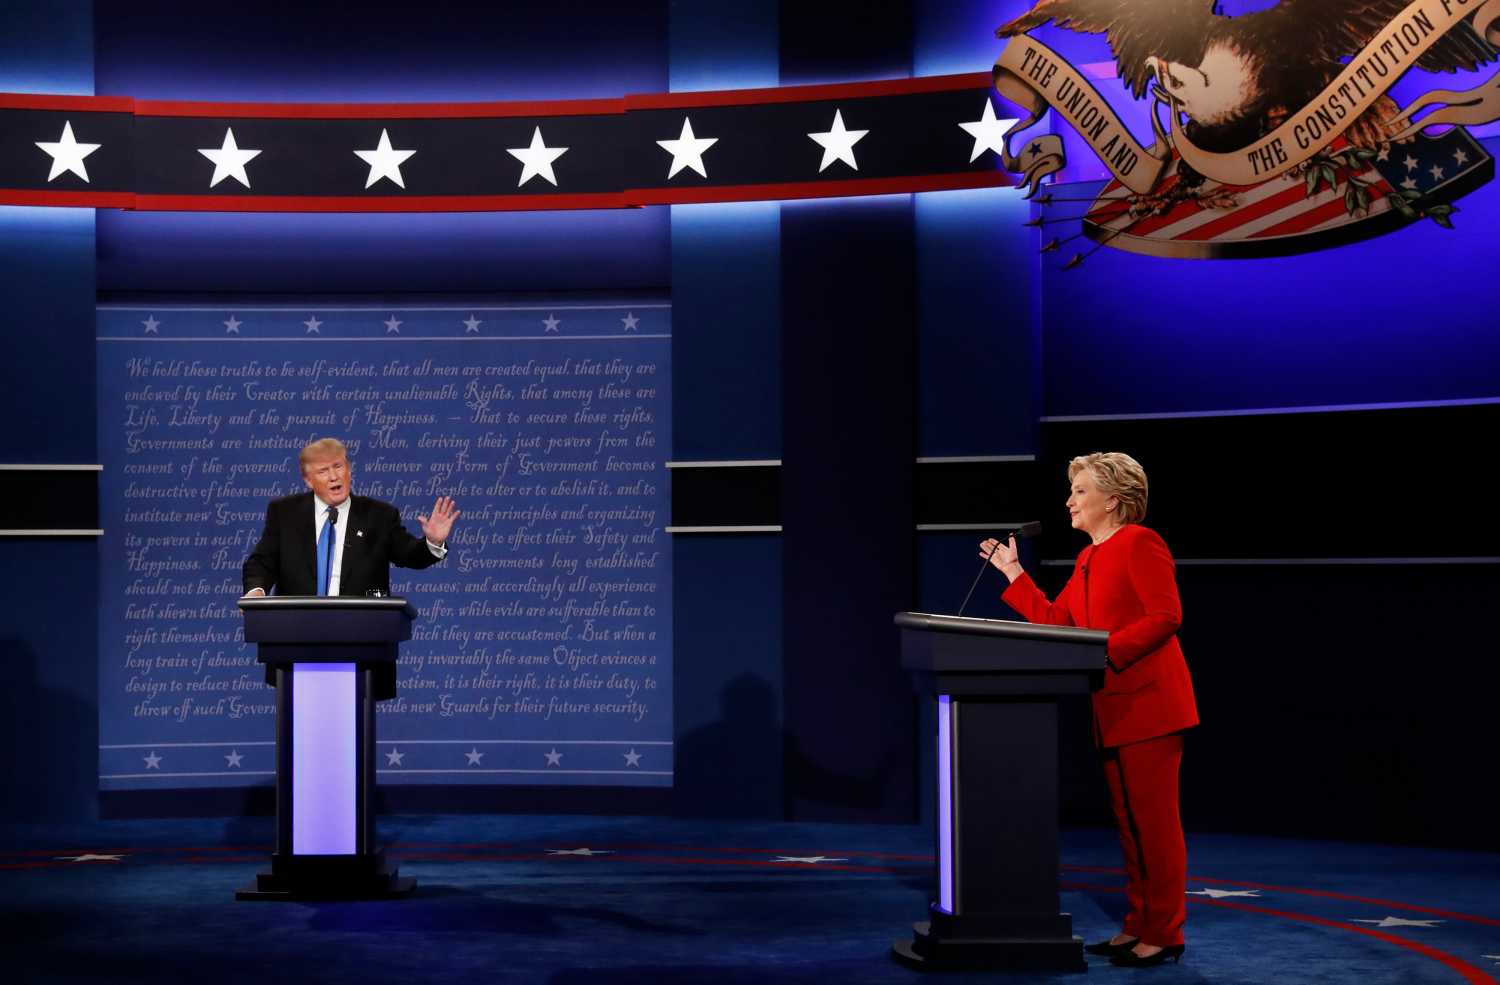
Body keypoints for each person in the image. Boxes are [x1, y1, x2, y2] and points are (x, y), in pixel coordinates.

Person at [980, 452, 1197, 969]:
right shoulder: (1088, 558)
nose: (1069, 500)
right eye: (1072, 489)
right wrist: (1013, 573)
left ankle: (1165, 933)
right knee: (1129, 826)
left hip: (1151, 706)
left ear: (1113, 501)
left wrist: (1106, 650)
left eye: (1079, 491)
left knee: (1156, 826)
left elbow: (1167, 616)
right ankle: (1138, 923)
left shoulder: (1141, 543)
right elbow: (1059, 621)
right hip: (1114, 708)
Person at [242, 437, 460, 698]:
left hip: (362, 644)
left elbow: (409, 555)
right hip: (298, 639)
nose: (334, 476)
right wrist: (256, 591)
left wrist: (433, 542)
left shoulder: (378, 515)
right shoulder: (284, 513)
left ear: (349, 470)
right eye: (324, 471)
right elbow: (262, 561)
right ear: (308, 481)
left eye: (339, 466)